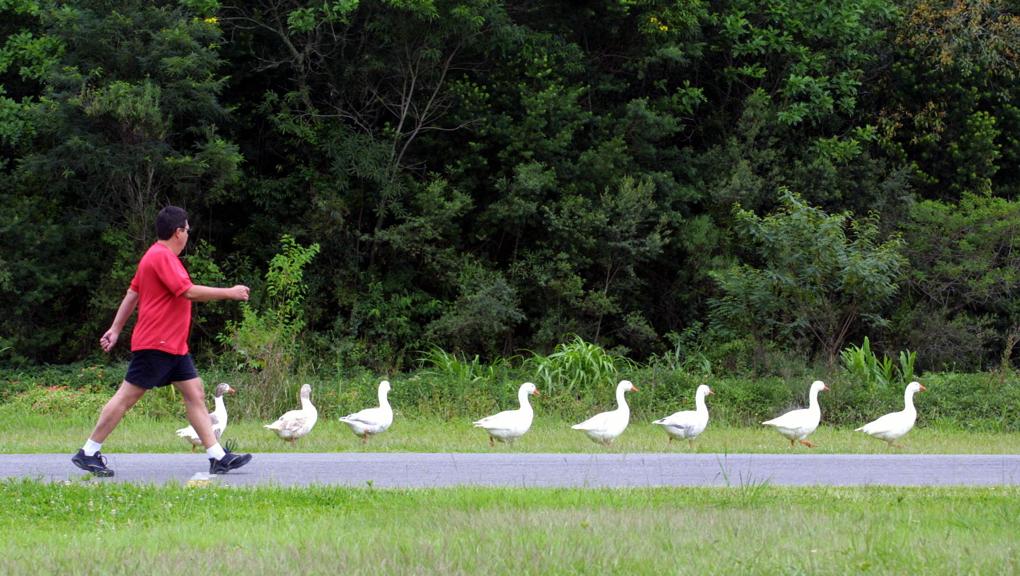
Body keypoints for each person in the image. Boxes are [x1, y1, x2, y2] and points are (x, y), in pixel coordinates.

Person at [72, 206, 253, 477]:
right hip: (157, 343)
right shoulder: (162, 257)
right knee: (125, 398)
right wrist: (230, 292)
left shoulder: (152, 257)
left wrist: (116, 328)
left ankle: (217, 457)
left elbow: (133, 294)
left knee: (195, 393)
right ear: (178, 232)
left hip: (174, 346)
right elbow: (188, 292)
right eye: (187, 230)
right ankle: (88, 452)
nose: (188, 235)